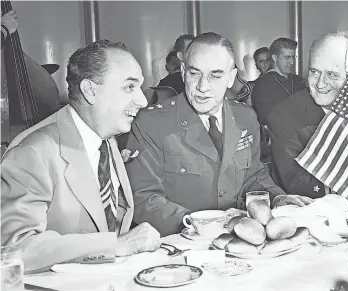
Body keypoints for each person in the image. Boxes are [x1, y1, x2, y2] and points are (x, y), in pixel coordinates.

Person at [124, 32, 313, 236]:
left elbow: (253, 176)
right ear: (182, 72)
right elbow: (143, 197)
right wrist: (204, 225)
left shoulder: (245, 118)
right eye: (195, 73)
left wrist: (277, 198)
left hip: (240, 241)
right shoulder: (152, 124)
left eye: (215, 75)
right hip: (181, 246)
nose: (202, 87)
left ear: (231, 77)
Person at [1, 40, 161, 273]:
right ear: (90, 90)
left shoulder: (105, 136)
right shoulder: (31, 152)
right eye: (129, 87)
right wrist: (116, 245)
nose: (143, 100)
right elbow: (13, 249)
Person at [266, 33, 348, 198]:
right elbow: (296, 183)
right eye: (314, 72)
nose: (320, 84)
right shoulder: (284, 115)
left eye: (332, 74)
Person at [251, 37, 306, 125]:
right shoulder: (262, 85)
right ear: (274, 58)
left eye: (293, 57)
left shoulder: (298, 81)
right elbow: (267, 119)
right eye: (287, 58)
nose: (291, 62)